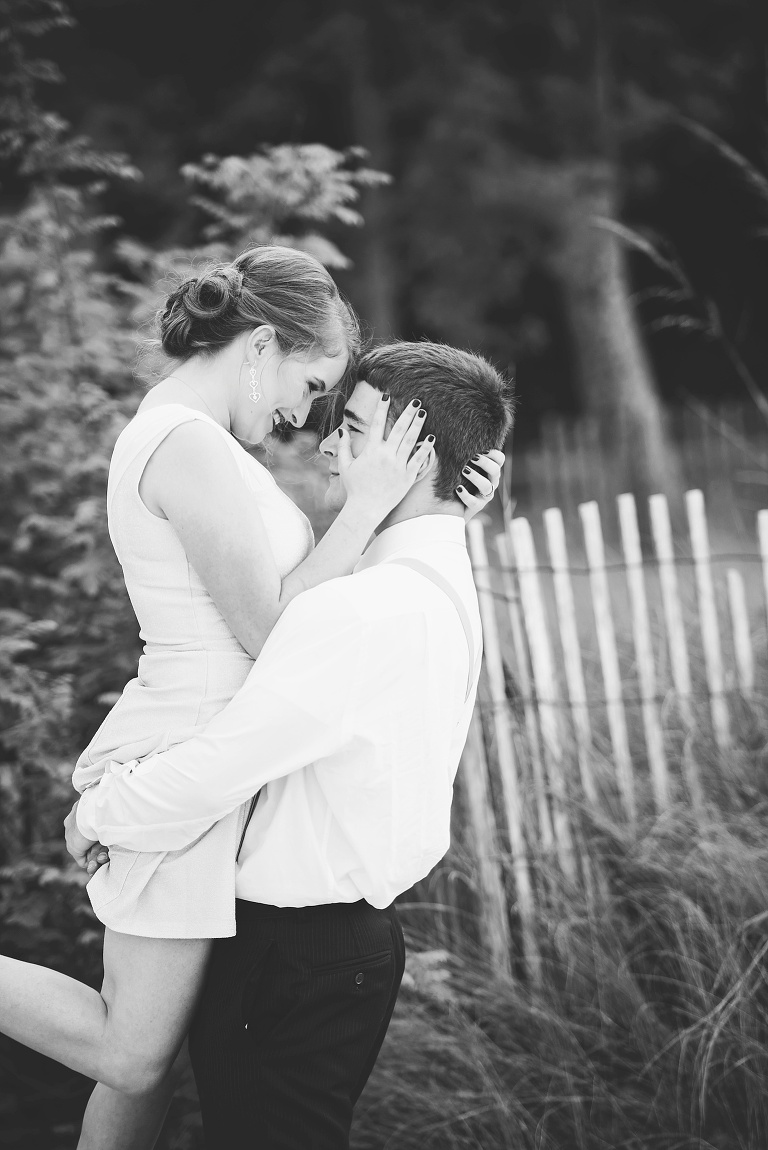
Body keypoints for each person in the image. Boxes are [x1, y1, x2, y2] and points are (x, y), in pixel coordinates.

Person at [0, 250, 502, 1150]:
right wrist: (365, 507)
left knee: (146, 1076)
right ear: (262, 343)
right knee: (132, 1054)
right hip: (190, 750)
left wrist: (433, 514)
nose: (304, 417)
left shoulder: (208, 445)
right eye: (311, 383)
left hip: (219, 754)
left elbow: (323, 610)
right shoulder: (185, 445)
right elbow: (279, 636)